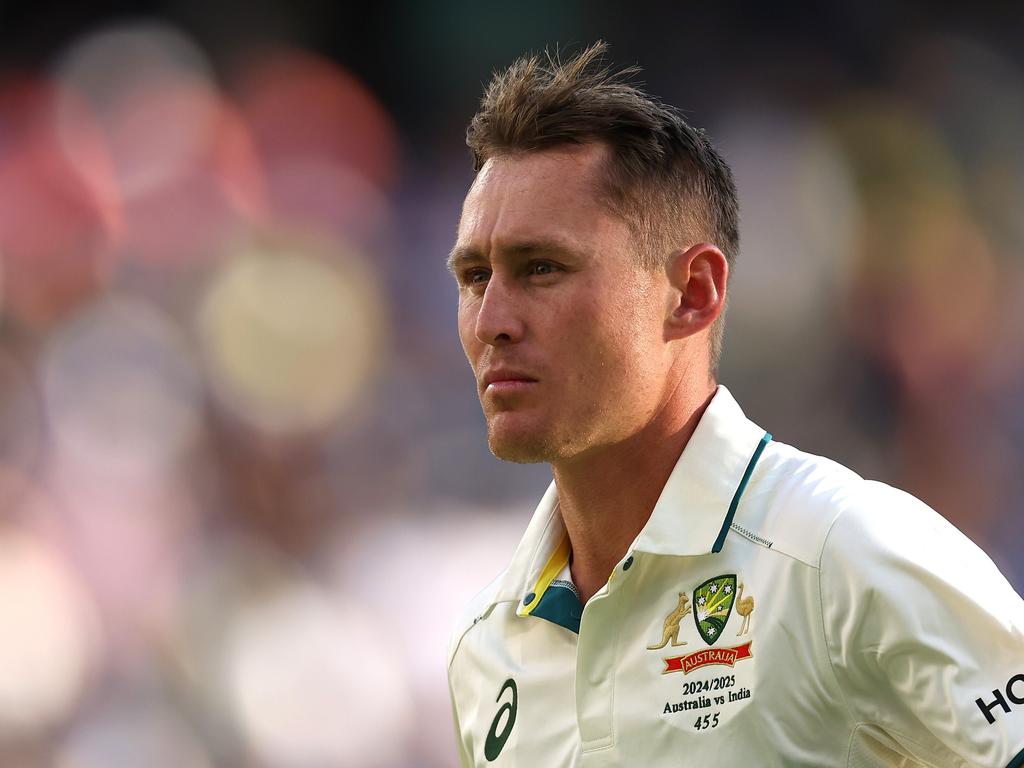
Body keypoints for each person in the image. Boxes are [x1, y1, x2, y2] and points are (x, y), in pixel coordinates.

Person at [445, 42, 1024, 767]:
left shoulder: (845, 555)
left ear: (693, 294)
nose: (492, 318)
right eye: (474, 275)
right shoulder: (487, 644)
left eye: (542, 268)